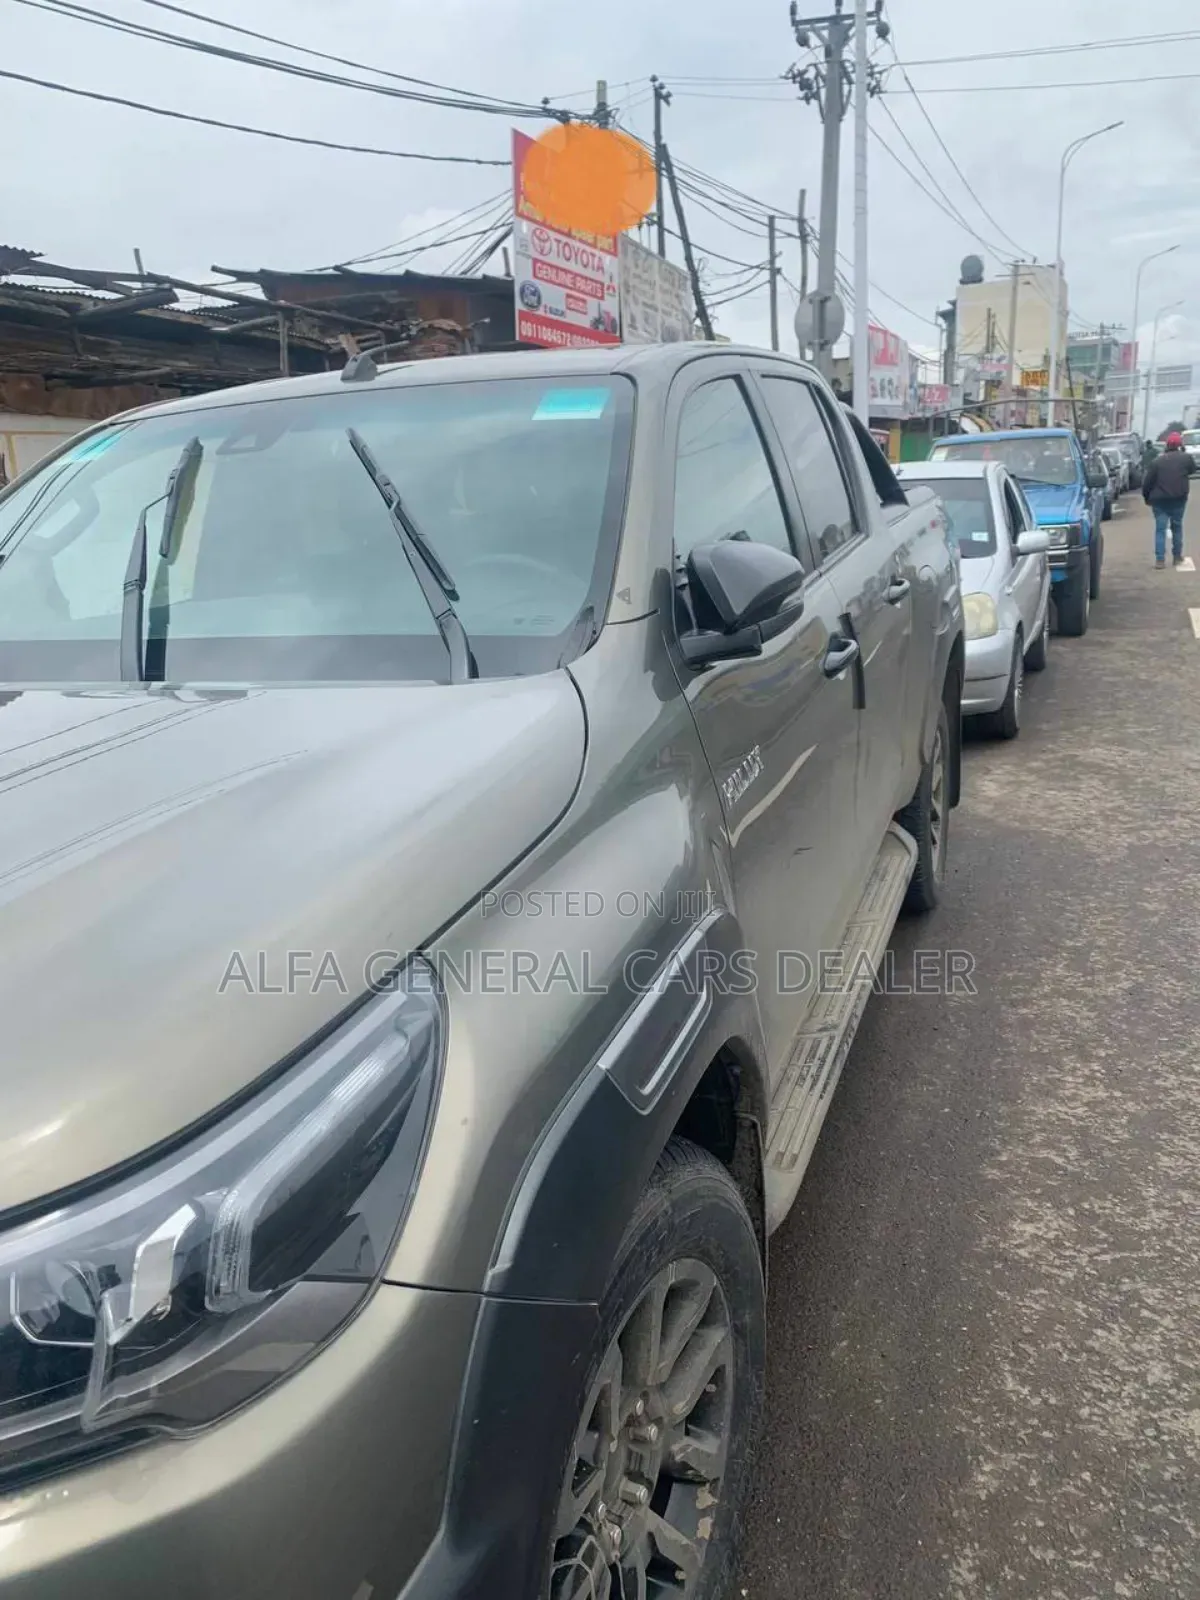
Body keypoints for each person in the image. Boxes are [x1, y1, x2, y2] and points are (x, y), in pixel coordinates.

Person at [1143, 431, 1195, 568]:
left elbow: (1148, 482)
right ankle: (1177, 556)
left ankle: (1160, 559)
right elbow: (1192, 470)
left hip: (1159, 500)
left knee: (1160, 529)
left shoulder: (1157, 462)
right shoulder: (1186, 458)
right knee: (1177, 526)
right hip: (1179, 498)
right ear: (1180, 445)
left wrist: (1146, 497)